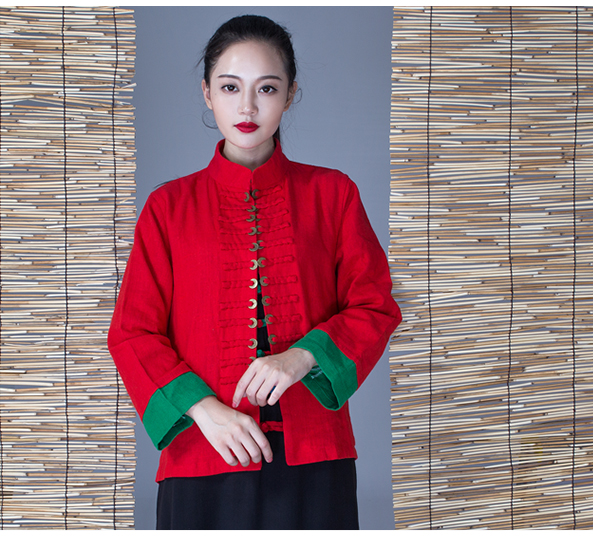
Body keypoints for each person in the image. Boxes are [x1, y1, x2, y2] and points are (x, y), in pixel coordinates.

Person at [108, 14, 401, 530]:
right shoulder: (167, 207)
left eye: (267, 88)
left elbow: (374, 306)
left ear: (290, 95)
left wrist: (301, 357)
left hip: (315, 460)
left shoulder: (333, 194)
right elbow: (133, 333)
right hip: (202, 453)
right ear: (206, 93)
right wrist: (203, 409)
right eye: (230, 87)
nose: (247, 107)